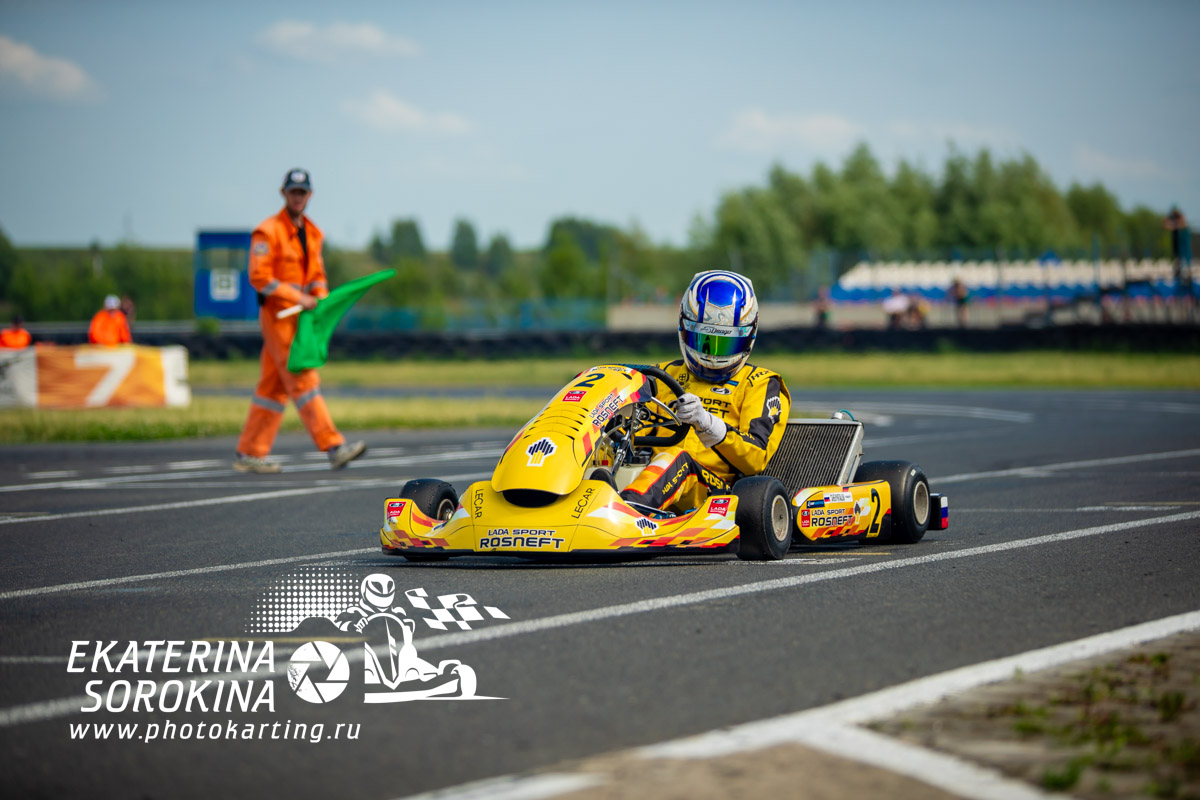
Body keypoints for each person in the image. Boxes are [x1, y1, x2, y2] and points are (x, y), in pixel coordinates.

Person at [618, 270, 791, 513]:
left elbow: (755, 458)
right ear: (685, 329)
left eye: (725, 344)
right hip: (652, 478)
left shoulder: (759, 383)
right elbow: (632, 432)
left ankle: (626, 511)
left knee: (675, 459)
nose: (712, 355)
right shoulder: (661, 375)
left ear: (747, 336)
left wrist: (707, 423)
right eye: (704, 341)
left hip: (717, 493)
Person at [233, 168, 365, 474]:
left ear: (310, 195)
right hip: (278, 319)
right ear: (284, 193)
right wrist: (298, 299)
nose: (297, 197)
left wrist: (320, 296)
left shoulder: (313, 233)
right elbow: (259, 277)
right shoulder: (268, 232)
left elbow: (316, 274)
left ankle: (249, 452)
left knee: (272, 389)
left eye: (302, 192)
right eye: (293, 192)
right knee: (303, 379)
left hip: (302, 320)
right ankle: (333, 447)